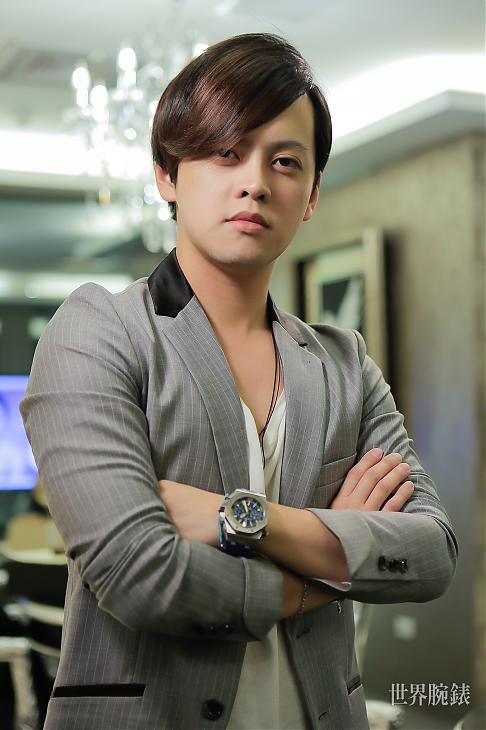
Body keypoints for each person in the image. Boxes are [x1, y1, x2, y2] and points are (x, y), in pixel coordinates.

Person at [20, 32, 457, 730]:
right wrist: (326, 576)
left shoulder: (344, 363)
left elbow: (431, 553)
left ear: (311, 195)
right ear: (168, 175)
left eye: (284, 161)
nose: (255, 181)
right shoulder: (100, 331)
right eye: (227, 152)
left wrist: (242, 518)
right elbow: (140, 576)